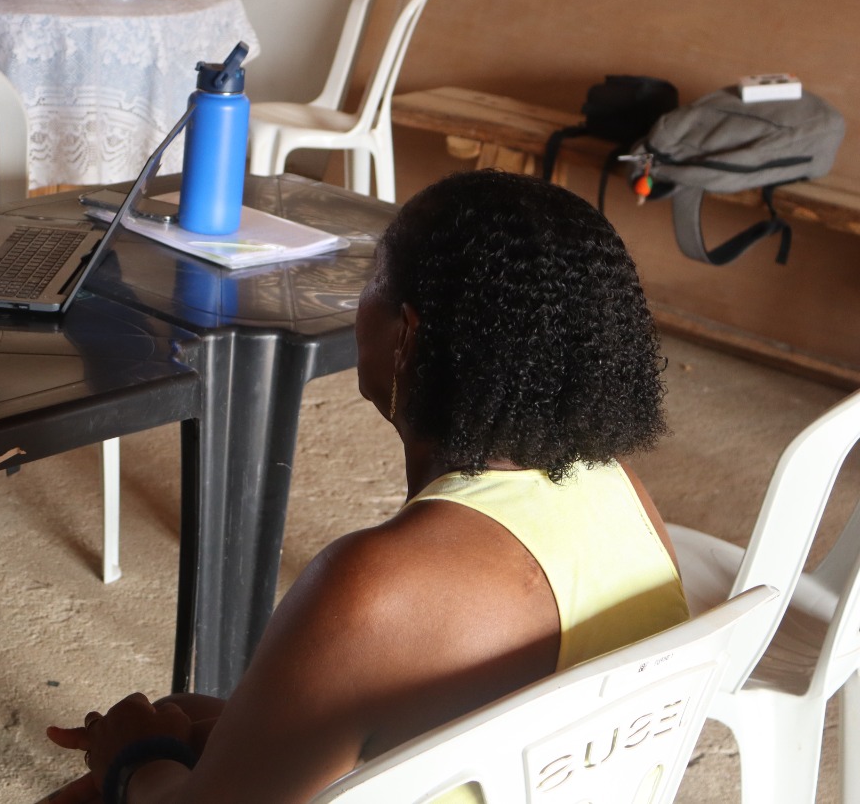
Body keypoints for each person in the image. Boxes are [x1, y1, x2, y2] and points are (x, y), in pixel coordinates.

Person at [42, 169, 689, 804]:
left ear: (406, 335)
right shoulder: (621, 491)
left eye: (368, 286)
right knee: (185, 713)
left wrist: (131, 758)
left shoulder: (375, 588)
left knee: (136, 756)